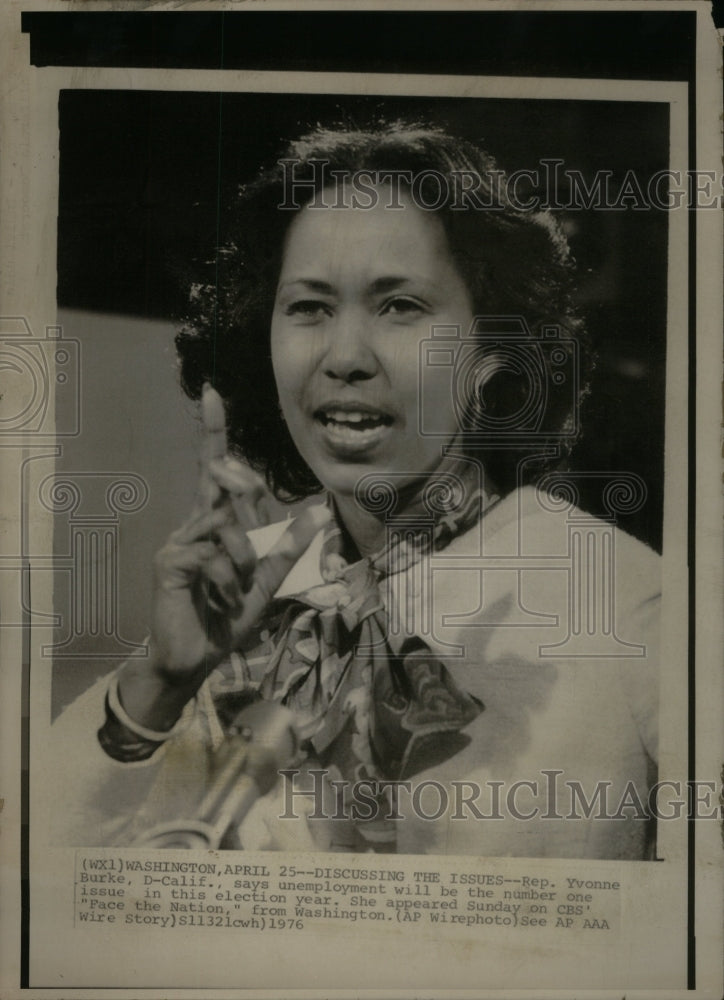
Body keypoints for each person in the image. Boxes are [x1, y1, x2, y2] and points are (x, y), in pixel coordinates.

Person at [47, 121, 660, 857]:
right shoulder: (239, 586)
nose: (344, 357)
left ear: (494, 352)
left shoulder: (631, 600)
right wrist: (159, 684)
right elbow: (31, 883)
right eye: (308, 306)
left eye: (400, 305)